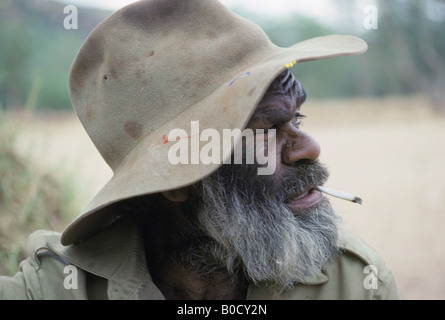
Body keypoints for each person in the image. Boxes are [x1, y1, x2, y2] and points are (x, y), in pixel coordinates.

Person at [0, 0, 403, 300]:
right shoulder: (53, 289)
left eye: (298, 120)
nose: (309, 149)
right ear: (177, 180)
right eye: (266, 131)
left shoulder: (355, 285)